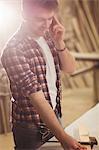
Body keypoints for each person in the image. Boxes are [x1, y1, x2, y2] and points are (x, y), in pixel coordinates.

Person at [1, 0, 87, 149]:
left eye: (50, 19)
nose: (46, 25)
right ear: (24, 15)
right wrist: (63, 137)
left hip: (55, 115)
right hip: (32, 128)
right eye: (39, 19)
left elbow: (70, 68)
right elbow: (37, 98)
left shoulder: (49, 36)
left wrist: (59, 42)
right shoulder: (14, 50)